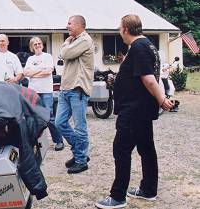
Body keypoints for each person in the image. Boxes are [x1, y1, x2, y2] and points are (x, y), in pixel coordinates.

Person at [95, 15, 174, 208]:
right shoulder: (148, 46)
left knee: (121, 149)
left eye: (119, 28)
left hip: (134, 110)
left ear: (125, 30)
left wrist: (162, 100)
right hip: (141, 108)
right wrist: (118, 80)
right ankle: (148, 190)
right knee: (146, 149)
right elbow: (139, 77)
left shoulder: (138, 47)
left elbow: (149, 79)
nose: (119, 31)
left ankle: (118, 197)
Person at [55, 15, 94, 174]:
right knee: (59, 123)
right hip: (66, 88)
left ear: (79, 25)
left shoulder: (84, 40)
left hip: (77, 89)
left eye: (70, 23)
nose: (67, 26)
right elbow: (62, 53)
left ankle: (81, 160)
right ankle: (80, 153)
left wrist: (66, 44)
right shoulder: (72, 40)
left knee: (80, 127)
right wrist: (67, 44)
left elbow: (64, 54)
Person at [24, 37, 64, 151]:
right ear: (32, 47)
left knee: (49, 117)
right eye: (35, 44)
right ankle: (34, 142)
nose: (37, 45)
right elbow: (26, 72)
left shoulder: (47, 56)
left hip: (46, 91)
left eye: (39, 43)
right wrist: (40, 70)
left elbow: (48, 72)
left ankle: (58, 141)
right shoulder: (30, 59)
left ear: (42, 45)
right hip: (33, 92)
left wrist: (33, 73)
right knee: (33, 116)